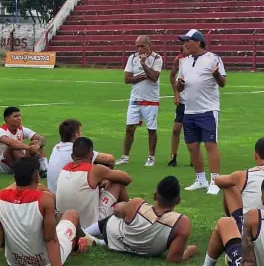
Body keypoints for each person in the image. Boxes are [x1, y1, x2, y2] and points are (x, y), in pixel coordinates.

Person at [0, 157, 86, 266]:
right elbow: (50, 240)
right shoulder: (45, 199)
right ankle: (77, 246)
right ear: (37, 177)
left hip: (14, 261)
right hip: (45, 262)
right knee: (72, 214)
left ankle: (77, 244)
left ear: (14, 177)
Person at [84, 175, 197, 262]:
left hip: (113, 237)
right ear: (178, 200)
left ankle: (86, 233)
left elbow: (116, 211)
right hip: (146, 250)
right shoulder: (182, 223)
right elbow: (173, 259)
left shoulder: (137, 204)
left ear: (155, 195)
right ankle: (98, 240)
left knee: (117, 214)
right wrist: (190, 250)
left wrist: (124, 206)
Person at [175, 29, 226, 194]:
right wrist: (180, 85)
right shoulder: (185, 62)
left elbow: (223, 83)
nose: (185, 44)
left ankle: (215, 181)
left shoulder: (213, 59)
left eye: (187, 41)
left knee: (210, 145)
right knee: (192, 146)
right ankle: (200, 179)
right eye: (184, 42)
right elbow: (178, 85)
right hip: (189, 110)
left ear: (198, 42)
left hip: (207, 109)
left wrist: (217, 75)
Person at [214, 137, 264, 230]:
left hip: (253, 227)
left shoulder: (243, 175)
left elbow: (218, 181)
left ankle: (235, 224)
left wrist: (235, 179)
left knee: (229, 185)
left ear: (255, 156)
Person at [55, 137, 132, 230]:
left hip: (67, 223)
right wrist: (107, 178)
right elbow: (127, 179)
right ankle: (130, 218)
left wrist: (102, 180)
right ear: (92, 155)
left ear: (72, 156)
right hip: (91, 226)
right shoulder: (95, 170)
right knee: (117, 183)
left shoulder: (64, 169)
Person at [116, 35, 163, 167]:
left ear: (149, 45)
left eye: (142, 46)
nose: (139, 49)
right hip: (135, 98)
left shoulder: (157, 58)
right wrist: (143, 75)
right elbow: (127, 79)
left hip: (151, 99)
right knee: (129, 128)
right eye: (137, 46)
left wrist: (143, 64)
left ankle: (151, 157)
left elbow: (154, 77)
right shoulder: (132, 58)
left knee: (151, 129)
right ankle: (125, 157)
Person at [48, 119, 115, 193]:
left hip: (54, 195)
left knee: (93, 164)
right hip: (67, 196)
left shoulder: (56, 148)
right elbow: (110, 159)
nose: (82, 134)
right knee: (116, 183)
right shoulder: (76, 149)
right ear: (77, 135)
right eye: (81, 131)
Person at [0, 106, 48, 176]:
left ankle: (45, 169)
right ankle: (28, 169)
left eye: (19, 116)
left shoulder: (21, 129)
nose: (19, 118)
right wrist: (29, 148)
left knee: (35, 142)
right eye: (15, 116)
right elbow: (11, 143)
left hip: (18, 159)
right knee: (13, 146)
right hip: (2, 164)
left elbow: (42, 138)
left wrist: (38, 145)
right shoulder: (0, 131)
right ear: (7, 119)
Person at [168, 44, 191, 167]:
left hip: (194, 102)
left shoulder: (199, 61)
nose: (185, 51)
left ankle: (194, 157)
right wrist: (176, 93)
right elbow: (172, 75)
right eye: (183, 49)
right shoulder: (179, 60)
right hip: (182, 101)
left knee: (191, 130)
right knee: (176, 129)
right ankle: (173, 157)